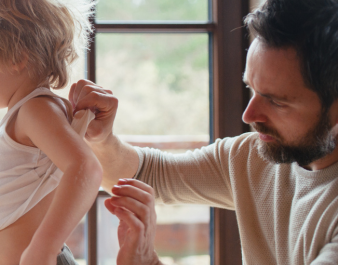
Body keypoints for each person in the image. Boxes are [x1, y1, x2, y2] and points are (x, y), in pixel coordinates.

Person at [70, 0, 338, 264]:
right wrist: (101, 139)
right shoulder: (251, 156)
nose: (249, 115)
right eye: (252, 89)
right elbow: (146, 175)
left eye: (277, 101)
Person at [0, 0, 101, 264]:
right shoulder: (30, 111)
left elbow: (86, 168)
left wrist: (44, 247)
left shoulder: (35, 110)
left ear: (16, 58)